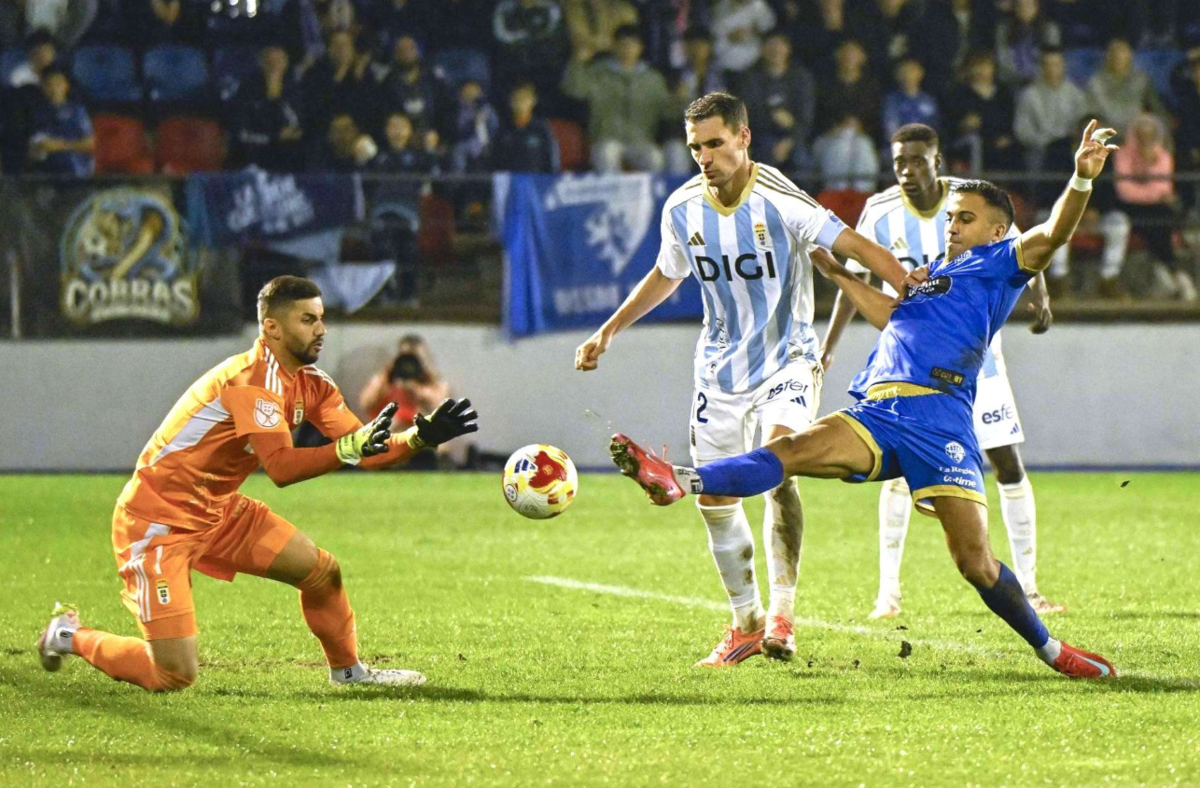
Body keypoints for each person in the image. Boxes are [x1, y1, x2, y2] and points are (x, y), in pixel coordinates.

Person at [607, 120, 1122, 680]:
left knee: (974, 563)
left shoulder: (1000, 265)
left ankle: (1055, 653)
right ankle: (679, 479)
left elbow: (1054, 234)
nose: (952, 226)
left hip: (940, 419)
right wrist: (833, 271)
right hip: (878, 412)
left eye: (965, 219)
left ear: (998, 230)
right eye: (951, 217)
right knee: (789, 453)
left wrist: (1080, 178)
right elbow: (889, 316)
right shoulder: (933, 276)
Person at [574, 92, 908, 667]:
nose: (704, 157)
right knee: (719, 500)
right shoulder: (681, 208)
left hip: (789, 359)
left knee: (781, 461)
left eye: (715, 144)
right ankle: (745, 622)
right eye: (695, 147)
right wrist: (608, 330)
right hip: (719, 372)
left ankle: (782, 613)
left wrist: (910, 287)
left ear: (743, 138)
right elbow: (666, 272)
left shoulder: (781, 201)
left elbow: (854, 245)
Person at [36, 276, 479, 691]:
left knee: (322, 573)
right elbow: (283, 468)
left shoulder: (312, 384)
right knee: (173, 674)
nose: (320, 329)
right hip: (158, 521)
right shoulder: (250, 380)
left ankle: (350, 673)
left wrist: (420, 437)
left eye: (321, 318)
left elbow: (367, 450)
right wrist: (350, 449)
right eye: (307, 320)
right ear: (272, 327)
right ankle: (69, 635)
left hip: (218, 510)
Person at [820, 123, 1062, 619]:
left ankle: (1031, 587)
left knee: (1008, 464)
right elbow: (861, 280)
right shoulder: (880, 211)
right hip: (912, 362)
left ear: (937, 158)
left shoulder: (970, 202)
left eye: (917, 160)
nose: (908, 170)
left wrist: (1040, 296)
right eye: (898, 162)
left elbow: (1023, 250)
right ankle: (888, 593)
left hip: (977, 359)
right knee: (896, 473)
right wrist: (828, 347)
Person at [561, 25, 688, 173]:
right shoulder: (598, 72)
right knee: (606, 154)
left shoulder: (653, 79)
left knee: (655, 158)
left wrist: (680, 100)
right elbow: (574, 91)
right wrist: (577, 62)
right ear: (613, 46)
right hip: (606, 139)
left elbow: (667, 112)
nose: (627, 49)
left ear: (640, 48)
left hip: (641, 142)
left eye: (632, 45)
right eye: (622, 44)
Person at [1113, 113, 1196, 301]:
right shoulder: (1122, 155)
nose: (1145, 139)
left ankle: (1169, 278)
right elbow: (1125, 191)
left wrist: (1150, 164)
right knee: (1157, 223)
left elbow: (1163, 187)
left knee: (1159, 222)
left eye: (1150, 135)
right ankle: (1177, 276)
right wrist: (1152, 193)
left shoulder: (1164, 156)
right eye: (1141, 135)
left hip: (1156, 208)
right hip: (1130, 208)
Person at [359, 335, 471, 467]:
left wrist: (416, 388)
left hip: (424, 442)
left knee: (439, 424)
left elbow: (441, 405)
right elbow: (365, 404)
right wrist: (388, 373)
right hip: (392, 440)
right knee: (394, 422)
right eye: (407, 357)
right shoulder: (384, 380)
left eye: (416, 358)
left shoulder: (433, 383)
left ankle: (437, 464)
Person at [735, 29, 815, 171]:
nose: (776, 50)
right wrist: (772, 117)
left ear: (788, 49)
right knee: (764, 154)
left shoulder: (801, 77)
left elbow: (807, 119)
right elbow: (747, 116)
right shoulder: (751, 78)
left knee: (802, 159)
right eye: (771, 45)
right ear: (763, 49)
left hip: (795, 136)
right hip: (761, 136)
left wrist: (790, 138)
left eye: (780, 45)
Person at [228, 44, 306, 172]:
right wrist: (273, 137)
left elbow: (296, 127)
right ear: (261, 64)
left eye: (278, 61)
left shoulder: (295, 90)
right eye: (270, 62)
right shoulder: (247, 91)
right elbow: (242, 133)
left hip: (287, 156)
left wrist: (277, 99)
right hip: (252, 155)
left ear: (286, 64)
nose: (274, 66)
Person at [1085, 37, 1164, 137]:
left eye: (1122, 51)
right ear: (1106, 55)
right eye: (1113, 51)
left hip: (1136, 134)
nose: (1117, 55)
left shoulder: (1141, 80)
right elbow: (1090, 114)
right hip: (1106, 134)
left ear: (1130, 54)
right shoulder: (1095, 82)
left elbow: (1156, 107)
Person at [26, 64, 94, 176]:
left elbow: (90, 143)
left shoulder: (77, 111)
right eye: (48, 85)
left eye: (57, 84)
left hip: (76, 171)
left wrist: (60, 146)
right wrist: (35, 150)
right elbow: (32, 149)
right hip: (46, 173)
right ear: (42, 87)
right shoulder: (36, 113)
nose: (53, 89)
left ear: (66, 85)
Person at [492, 82, 560, 173]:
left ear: (533, 100)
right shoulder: (502, 129)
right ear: (510, 102)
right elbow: (494, 161)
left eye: (524, 98)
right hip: (509, 182)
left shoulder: (542, 128)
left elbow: (552, 160)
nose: (521, 103)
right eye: (517, 99)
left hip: (536, 182)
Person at [811, 113, 879, 192]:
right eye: (847, 124)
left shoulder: (864, 142)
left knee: (862, 143)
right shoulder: (826, 141)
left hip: (861, 192)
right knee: (841, 144)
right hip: (834, 192)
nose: (849, 130)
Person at [882, 57, 939, 143]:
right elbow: (890, 127)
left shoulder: (928, 100)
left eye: (912, 71)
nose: (907, 76)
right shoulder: (892, 100)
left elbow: (935, 125)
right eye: (903, 72)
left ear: (920, 73)